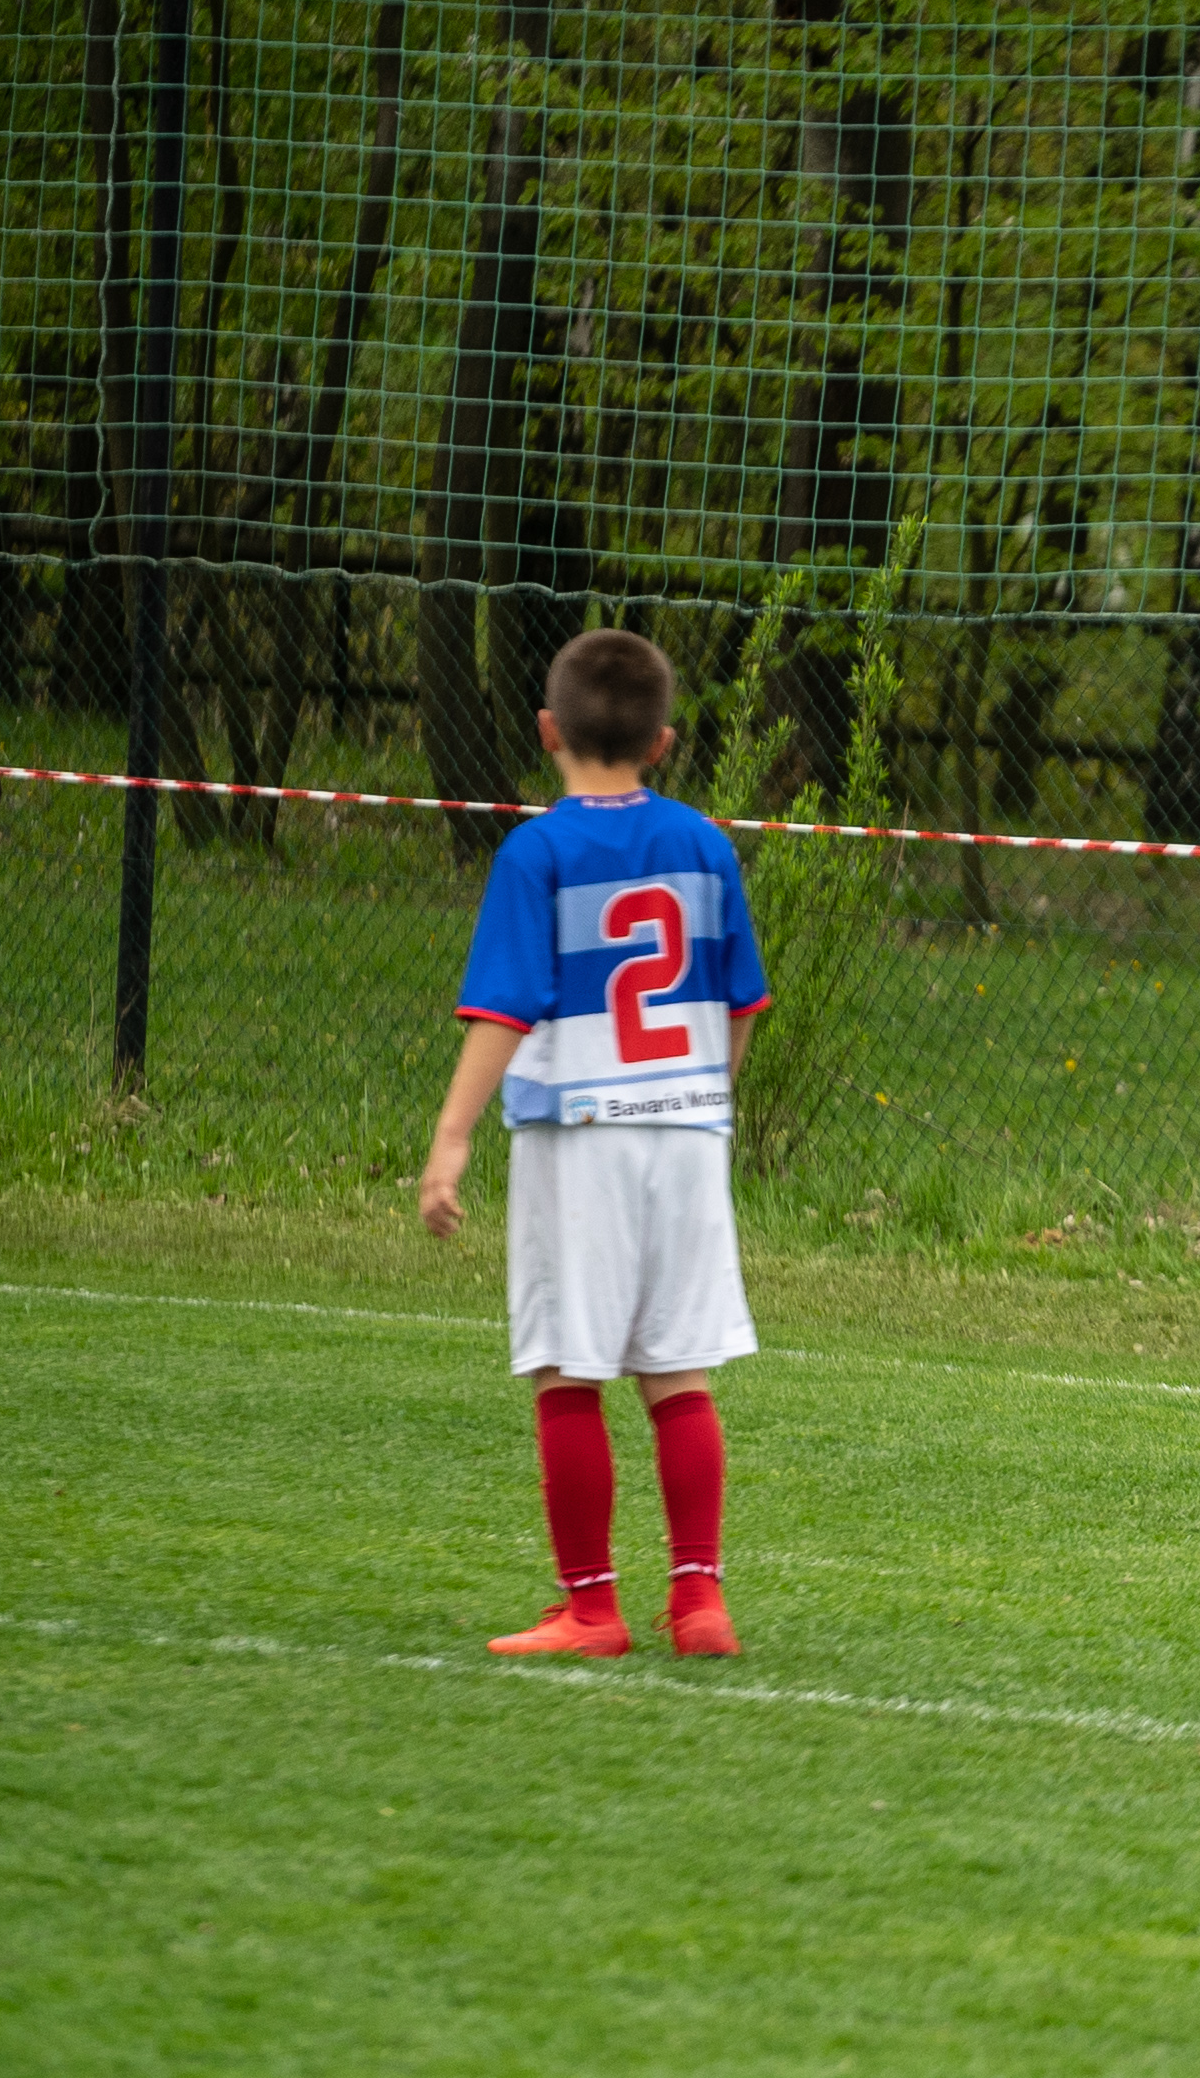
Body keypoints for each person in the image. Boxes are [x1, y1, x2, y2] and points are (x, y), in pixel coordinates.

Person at [418, 631, 768, 1660]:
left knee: (568, 1372)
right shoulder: (705, 844)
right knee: (679, 1372)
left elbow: (504, 1009)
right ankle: (699, 1601)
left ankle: (592, 1608)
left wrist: (450, 1137)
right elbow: (743, 1002)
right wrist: (707, 1096)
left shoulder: (537, 853)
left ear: (546, 731)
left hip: (579, 1137)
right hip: (686, 1135)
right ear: (663, 742)